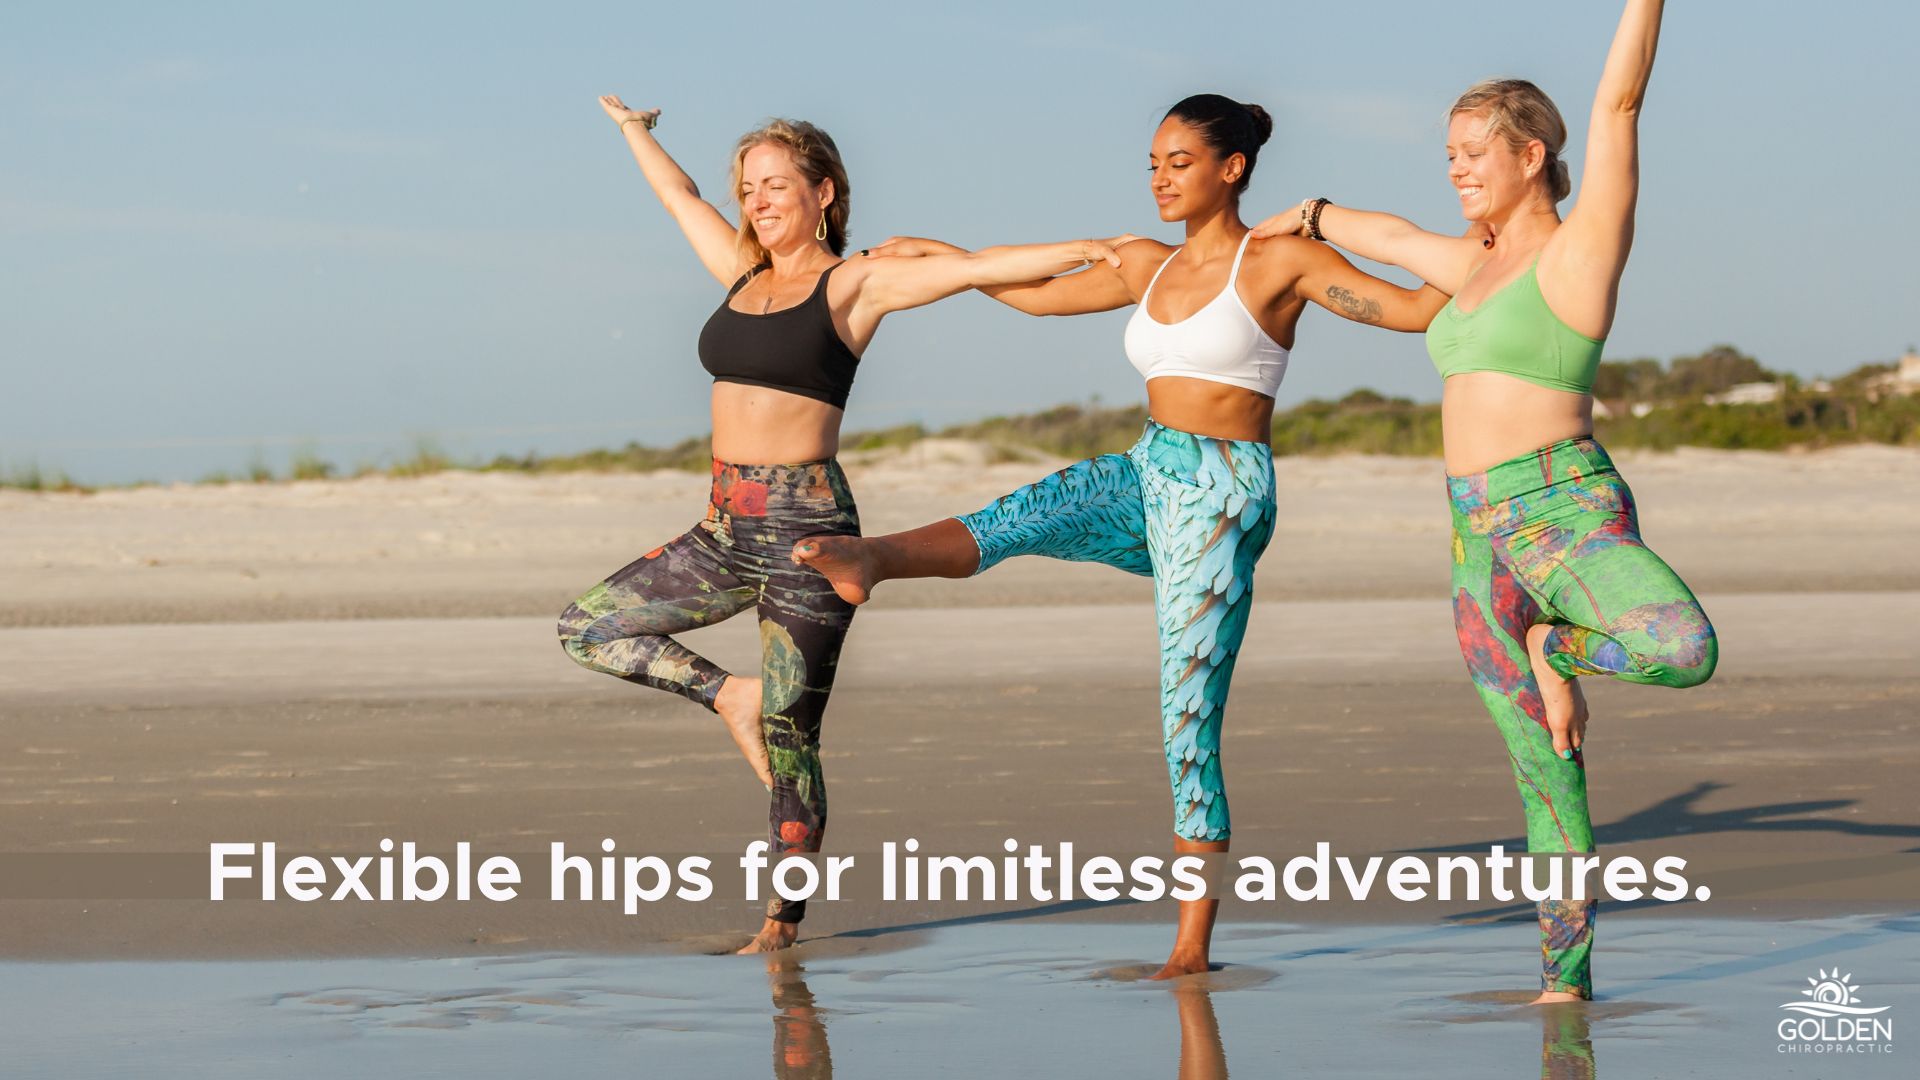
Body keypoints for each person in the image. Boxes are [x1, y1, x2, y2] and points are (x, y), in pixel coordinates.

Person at [793, 94, 1448, 977]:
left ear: (1232, 168)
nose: (1161, 178)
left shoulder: (1282, 260)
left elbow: (1414, 310)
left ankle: (1190, 946)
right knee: (1025, 511)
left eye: (1180, 161)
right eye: (1153, 163)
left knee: (1187, 713)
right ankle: (873, 559)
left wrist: (1458, 246)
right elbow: (1036, 300)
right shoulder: (1148, 263)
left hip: (1221, 491)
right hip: (1150, 468)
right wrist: (945, 259)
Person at [561, 95, 1129, 953]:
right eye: (748, 187)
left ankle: (778, 927)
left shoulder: (854, 282)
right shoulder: (741, 274)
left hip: (808, 533)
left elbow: (973, 269)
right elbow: (681, 199)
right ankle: (730, 697)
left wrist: (1089, 249)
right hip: (721, 527)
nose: (756, 201)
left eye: (775, 185)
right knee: (586, 627)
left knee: (796, 740)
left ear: (824, 192)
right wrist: (636, 132)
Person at [1252, 0, 1715, 1001]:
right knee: (1545, 767)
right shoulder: (1469, 266)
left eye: (1473, 152)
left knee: (1680, 649)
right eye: (1449, 153)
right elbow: (1387, 233)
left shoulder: (1578, 252)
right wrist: (1315, 216)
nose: (1455, 168)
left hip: (1566, 515)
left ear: (1532, 152)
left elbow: (1621, 102)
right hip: (1476, 546)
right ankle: (1565, 981)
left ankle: (1564, 646)